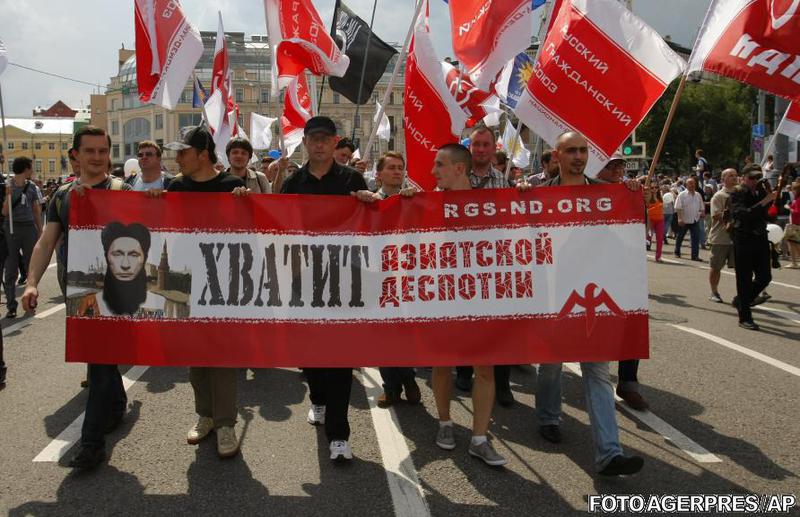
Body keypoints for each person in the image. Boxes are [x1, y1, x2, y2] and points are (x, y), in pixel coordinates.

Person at [519, 131, 645, 476]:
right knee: (551, 365)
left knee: (598, 372)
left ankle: (609, 453)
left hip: (589, 295)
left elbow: (621, 236)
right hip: (552, 295)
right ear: (556, 155)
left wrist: (632, 197)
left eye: (582, 150)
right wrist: (518, 201)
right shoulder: (538, 195)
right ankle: (548, 417)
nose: (578, 156)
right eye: (571, 150)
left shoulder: (604, 194)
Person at [22, 126, 132, 470]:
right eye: (90, 151)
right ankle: (115, 406)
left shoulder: (123, 191)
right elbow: (45, 242)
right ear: (76, 155)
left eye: (103, 151)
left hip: (116, 293)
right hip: (80, 291)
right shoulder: (63, 196)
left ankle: (91, 444)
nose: (97, 157)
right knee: (101, 361)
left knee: (99, 362)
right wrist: (31, 282)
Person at [156, 125, 248, 459]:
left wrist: (245, 204)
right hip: (186, 281)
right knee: (195, 355)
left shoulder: (232, 186)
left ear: (202, 155)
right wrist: (153, 201)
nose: (177, 158)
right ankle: (205, 415)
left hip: (222, 283)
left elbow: (249, 233)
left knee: (222, 354)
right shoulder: (176, 187)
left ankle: (225, 424)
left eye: (183, 152)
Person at [280, 116, 368, 462]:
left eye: (325, 139)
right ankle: (316, 397)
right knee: (311, 354)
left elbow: (371, 218)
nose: (319, 144)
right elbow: (278, 225)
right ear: (305, 142)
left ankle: (339, 434)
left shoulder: (352, 179)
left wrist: (371, 199)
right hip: (303, 279)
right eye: (313, 138)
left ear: (335, 143)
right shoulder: (293, 182)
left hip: (343, 279)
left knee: (341, 356)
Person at [428, 143, 507, 466]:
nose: (434, 171)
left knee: (484, 367)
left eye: (439, 165)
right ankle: (445, 422)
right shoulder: (426, 202)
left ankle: (478, 437)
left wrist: (528, 195)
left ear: (459, 169)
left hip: (479, 296)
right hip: (442, 295)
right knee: (442, 363)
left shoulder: (489, 203)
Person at [352, 152, 423, 407]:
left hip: (406, 276)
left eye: (400, 168)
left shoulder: (414, 199)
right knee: (382, 335)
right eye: (391, 168)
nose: (396, 172)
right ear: (378, 173)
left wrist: (412, 203)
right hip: (375, 276)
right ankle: (391, 387)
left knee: (404, 334)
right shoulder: (368, 200)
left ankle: (408, 378)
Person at [457, 126, 515, 408]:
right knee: (466, 322)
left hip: (495, 263)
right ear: (471, 148)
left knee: (498, 329)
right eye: (476, 144)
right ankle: (464, 371)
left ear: (493, 149)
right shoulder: (457, 179)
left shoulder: (504, 184)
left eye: (485, 145)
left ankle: (502, 383)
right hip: (462, 262)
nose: (480, 149)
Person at [75, 223, 166, 318]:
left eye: (134, 255)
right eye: (117, 254)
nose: (125, 265)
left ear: (144, 258)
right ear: (107, 257)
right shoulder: (93, 304)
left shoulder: (162, 304)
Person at [730, 165, 775, 331]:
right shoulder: (737, 193)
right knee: (744, 279)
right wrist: (764, 201)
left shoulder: (761, 192)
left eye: (757, 178)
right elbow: (744, 214)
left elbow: (767, 216)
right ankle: (745, 317)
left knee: (765, 276)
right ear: (743, 177)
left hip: (760, 238)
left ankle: (742, 300)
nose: (754, 181)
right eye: (751, 178)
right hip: (744, 239)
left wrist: (772, 203)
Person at [3, 157, 44, 318]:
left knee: (31, 266)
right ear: (25, 168)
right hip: (11, 229)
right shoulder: (8, 186)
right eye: (31, 167)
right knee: (11, 267)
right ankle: (11, 305)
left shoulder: (32, 187)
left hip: (29, 229)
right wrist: (7, 197)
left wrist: (40, 231)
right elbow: (5, 212)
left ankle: (31, 298)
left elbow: (36, 210)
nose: (32, 170)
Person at [707, 169, 739, 302]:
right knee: (716, 267)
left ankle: (741, 294)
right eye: (731, 176)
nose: (734, 178)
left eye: (735, 175)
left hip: (737, 238)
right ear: (723, 179)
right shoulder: (719, 196)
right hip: (721, 238)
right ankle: (714, 292)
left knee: (741, 268)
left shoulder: (741, 194)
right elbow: (716, 215)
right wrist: (733, 219)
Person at [673, 177, 705, 260]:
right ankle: (677, 252)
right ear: (686, 185)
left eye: (693, 183)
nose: (692, 185)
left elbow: (701, 205)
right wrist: (680, 218)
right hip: (684, 220)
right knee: (680, 237)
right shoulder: (682, 195)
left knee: (695, 238)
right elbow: (678, 207)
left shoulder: (698, 195)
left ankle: (695, 256)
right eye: (690, 183)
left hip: (695, 219)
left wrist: (702, 212)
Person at [784, 181, 800, 268]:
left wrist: (788, 207)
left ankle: (794, 263)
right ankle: (794, 263)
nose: (792, 191)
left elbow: (797, 212)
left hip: (795, 225)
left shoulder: (798, 200)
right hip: (794, 224)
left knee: (795, 243)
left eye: (794, 189)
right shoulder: (796, 200)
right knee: (792, 243)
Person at [647, 185, 665, 262]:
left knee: (660, 239)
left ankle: (658, 257)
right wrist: (656, 207)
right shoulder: (647, 198)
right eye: (652, 188)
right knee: (647, 238)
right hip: (650, 220)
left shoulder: (660, 197)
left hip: (660, 220)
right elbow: (646, 210)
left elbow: (662, 208)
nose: (654, 189)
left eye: (656, 187)